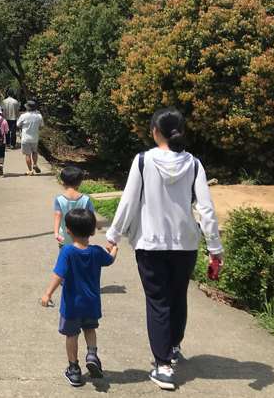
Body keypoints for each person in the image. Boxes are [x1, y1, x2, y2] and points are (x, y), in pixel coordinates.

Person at [105, 107, 223, 391]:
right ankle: (173, 346)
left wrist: (114, 235)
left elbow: (129, 201)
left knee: (158, 301)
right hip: (185, 244)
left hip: (150, 244)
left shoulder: (143, 161)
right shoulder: (193, 164)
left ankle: (163, 365)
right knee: (177, 296)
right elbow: (205, 208)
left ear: (155, 131)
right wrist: (214, 247)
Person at [41, 208, 118, 387]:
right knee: (90, 330)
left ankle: (74, 369)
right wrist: (114, 249)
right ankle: (92, 355)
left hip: (72, 306)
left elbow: (58, 275)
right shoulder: (97, 251)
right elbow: (110, 260)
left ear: (68, 230)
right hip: (91, 304)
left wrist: (47, 293)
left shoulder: (67, 251)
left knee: (71, 335)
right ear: (92, 231)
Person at [54, 167, 95, 247]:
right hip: (82, 237)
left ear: (62, 182)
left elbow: (58, 215)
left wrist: (56, 233)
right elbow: (91, 216)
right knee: (80, 253)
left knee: (65, 253)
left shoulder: (59, 199)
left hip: (64, 236)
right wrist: (92, 230)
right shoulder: (86, 199)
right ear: (79, 183)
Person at [16, 100, 44, 174]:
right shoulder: (39, 116)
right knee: (35, 152)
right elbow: (41, 126)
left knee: (27, 155)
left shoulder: (23, 116)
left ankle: (30, 170)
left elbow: (18, 125)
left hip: (25, 138)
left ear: (27, 107)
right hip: (35, 138)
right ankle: (35, 164)